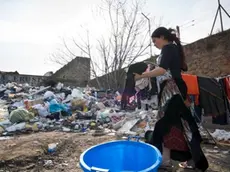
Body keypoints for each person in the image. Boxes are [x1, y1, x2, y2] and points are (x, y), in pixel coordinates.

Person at [134, 27, 208, 171]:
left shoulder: (169, 48)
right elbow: (164, 70)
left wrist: (141, 76)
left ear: (162, 37)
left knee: (167, 126)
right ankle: (187, 161)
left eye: (155, 41)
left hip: (173, 92)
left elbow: (162, 71)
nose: (154, 44)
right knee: (180, 126)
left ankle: (166, 162)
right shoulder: (169, 50)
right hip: (170, 92)